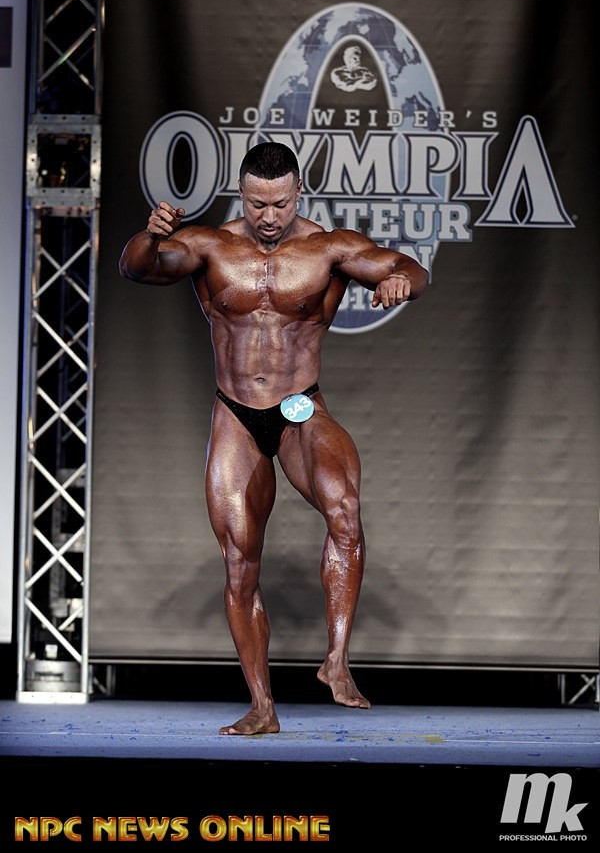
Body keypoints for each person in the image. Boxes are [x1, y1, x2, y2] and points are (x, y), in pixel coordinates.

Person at [119, 141, 429, 735]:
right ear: (241, 194)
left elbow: (411, 269)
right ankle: (262, 707)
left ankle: (336, 660)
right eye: (258, 204)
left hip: (298, 405)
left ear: (298, 192)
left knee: (345, 510)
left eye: (281, 204)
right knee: (240, 565)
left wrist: (400, 284)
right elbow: (136, 268)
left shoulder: (329, 248)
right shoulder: (210, 245)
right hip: (235, 412)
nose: (269, 216)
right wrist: (150, 238)